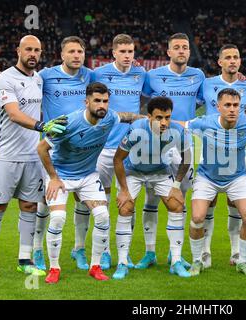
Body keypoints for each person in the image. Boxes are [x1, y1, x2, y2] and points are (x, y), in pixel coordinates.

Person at [0, 35, 67, 280]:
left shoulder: (38, 79)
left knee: (29, 206)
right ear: (18, 50)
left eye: (37, 50)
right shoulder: (5, 79)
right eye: (28, 49)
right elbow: (14, 114)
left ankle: (24, 260)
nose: (32, 54)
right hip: (6, 155)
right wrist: (42, 126)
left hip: (32, 156)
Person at [36, 82, 143, 283]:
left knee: (102, 216)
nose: (102, 105)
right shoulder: (68, 122)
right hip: (62, 175)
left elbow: (127, 116)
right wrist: (53, 178)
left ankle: (95, 267)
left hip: (88, 175)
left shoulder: (109, 117)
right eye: (97, 101)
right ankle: (54, 268)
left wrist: (147, 119)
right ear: (86, 102)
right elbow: (41, 148)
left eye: (105, 101)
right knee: (58, 217)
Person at [137, 33, 205, 270]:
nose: (181, 51)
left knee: (180, 199)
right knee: (152, 198)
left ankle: (175, 254)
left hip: (187, 144)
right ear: (168, 52)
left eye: (185, 47)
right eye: (176, 47)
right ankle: (149, 252)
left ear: (189, 51)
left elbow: (206, 99)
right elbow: (143, 98)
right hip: (159, 143)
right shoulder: (153, 76)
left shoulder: (198, 76)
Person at [176, 88, 246, 277]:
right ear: (218, 107)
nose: (232, 109)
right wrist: (153, 120)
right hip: (207, 178)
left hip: (236, 177)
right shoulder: (205, 122)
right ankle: (197, 261)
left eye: (236, 105)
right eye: (227, 105)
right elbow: (181, 124)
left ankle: (243, 262)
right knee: (197, 218)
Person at [112, 97, 192, 279]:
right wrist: (123, 190)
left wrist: (176, 186)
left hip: (160, 171)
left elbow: (186, 159)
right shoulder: (137, 129)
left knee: (176, 205)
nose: (164, 122)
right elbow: (117, 159)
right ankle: (122, 263)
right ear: (149, 116)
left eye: (167, 117)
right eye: (158, 118)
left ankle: (176, 261)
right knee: (125, 207)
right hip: (134, 171)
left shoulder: (178, 131)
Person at [33, 36, 94, 271]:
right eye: (72, 51)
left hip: (81, 150)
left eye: (80, 51)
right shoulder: (46, 76)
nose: (76, 55)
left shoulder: (89, 75)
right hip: (52, 149)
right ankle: (38, 249)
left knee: (82, 199)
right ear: (62, 55)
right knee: (45, 201)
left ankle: (79, 248)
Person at [199, 44, 246, 268]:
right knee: (209, 201)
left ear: (240, 61)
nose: (232, 61)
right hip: (209, 148)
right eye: (228, 57)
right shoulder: (207, 83)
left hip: (235, 151)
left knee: (235, 202)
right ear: (220, 62)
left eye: (236, 57)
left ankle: (235, 252)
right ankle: (205, 251)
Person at [92, 34, 146, 270]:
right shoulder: (99, 73)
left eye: (130, 52)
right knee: (101, 203)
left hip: (130, 149)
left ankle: (125, 252)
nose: (127, 56)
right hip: (104, 147)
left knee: (128, 202)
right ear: (113, 52)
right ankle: (103, 252)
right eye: (122, 51)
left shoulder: (140, 74)